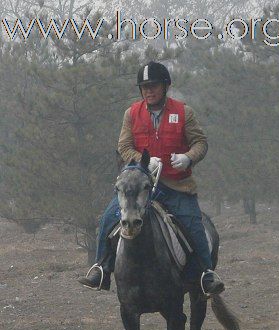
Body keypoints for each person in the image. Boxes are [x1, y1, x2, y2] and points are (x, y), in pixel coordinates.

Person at [78, 61, 224, 295]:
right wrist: (142, 161)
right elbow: (124, 146)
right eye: (144, 87)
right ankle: (101, 269)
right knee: (108, 218)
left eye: (153, 85)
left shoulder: (183, 112)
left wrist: (188, 157)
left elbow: (200, 143)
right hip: (139, 186)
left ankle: (206, 273)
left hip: (177, 185)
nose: (148, 91)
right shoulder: (131, 114)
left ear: (165, 86)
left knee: (194, 224)